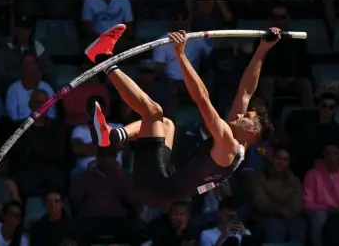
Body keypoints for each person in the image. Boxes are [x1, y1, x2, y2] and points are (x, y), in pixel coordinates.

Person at [83, 24, 277, 206]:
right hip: (159, 187)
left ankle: (102, 58)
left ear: (252, 131)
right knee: (166, 124)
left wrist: (181, 55)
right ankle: (113, 136)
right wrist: (262, 49)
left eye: (246, 116)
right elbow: (246, 91)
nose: (238, 115)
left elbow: (202, 99)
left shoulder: (229, 145)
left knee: (154, 112)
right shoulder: (236, 145)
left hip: (158, 184)